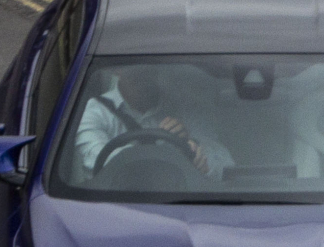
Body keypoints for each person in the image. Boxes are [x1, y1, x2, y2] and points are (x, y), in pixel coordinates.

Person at [72, 64, 231, 180]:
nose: (142, 71)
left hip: (183, 201)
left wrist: (192, 147)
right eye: (134, 65)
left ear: (159, 68)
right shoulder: (94, 112)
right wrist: (171, 153)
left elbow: (225, 164)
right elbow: (95, 166)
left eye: (148, 67)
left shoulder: (186, 108)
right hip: (118, 206)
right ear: (116, 70)